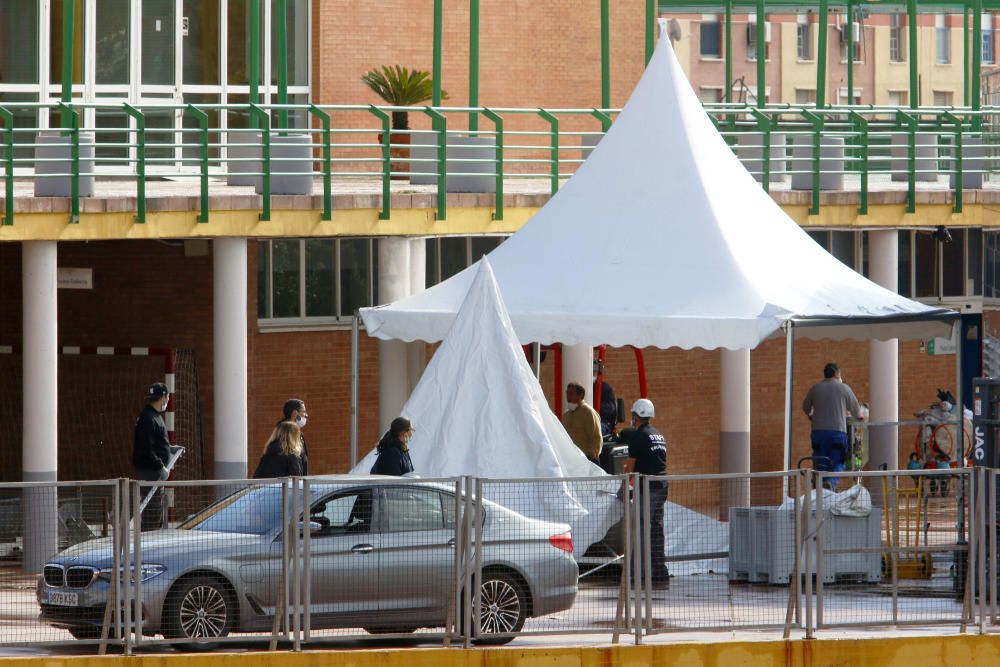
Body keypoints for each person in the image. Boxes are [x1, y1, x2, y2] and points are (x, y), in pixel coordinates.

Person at [616, 398, 669, 588]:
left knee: (639, 529)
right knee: (656, 529)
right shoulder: (658, 434)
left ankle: (635, 574)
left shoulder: (638, 436)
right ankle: (659, 573)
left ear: (636, 416)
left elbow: (630, 467)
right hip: (661, 486)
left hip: (648, 488)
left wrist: (623, 489)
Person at [801, 363, 866, 490]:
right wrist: (860, 417)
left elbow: (806, 408)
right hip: (837, 433)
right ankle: (831, 482)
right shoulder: (844, 388)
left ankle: (821, 491)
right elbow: (857, 412)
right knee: (840, 460)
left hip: (818, 433)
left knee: (821, 463)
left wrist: (811, 416)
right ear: (836, 374)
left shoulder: (815, 388)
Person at [133, 382, 172, 531]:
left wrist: (168, 450)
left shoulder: (153, 416)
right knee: (152, 511)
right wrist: (160, 466)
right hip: (150, 472)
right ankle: (146, 544)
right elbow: (146, 448)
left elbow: (155, 442)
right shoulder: (149, 418)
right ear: (164, 397)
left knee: (156, 510)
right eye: (167, 398)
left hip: (153, 471)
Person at [562, 382, 603, 463]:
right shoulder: (566, 415)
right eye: (567, 393)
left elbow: (596, 437)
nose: (568, 396)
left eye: (571, 393)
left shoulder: (588, 412)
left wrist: (590, 456)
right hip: (571, 460)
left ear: (581, 395)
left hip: (587, 460)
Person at [280, 399, 310, 475]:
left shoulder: (299, 436)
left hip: (296, 483)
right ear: (295, 413)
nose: (306, 415)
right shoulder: (283, 434)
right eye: (303, 412)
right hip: (289, 483)